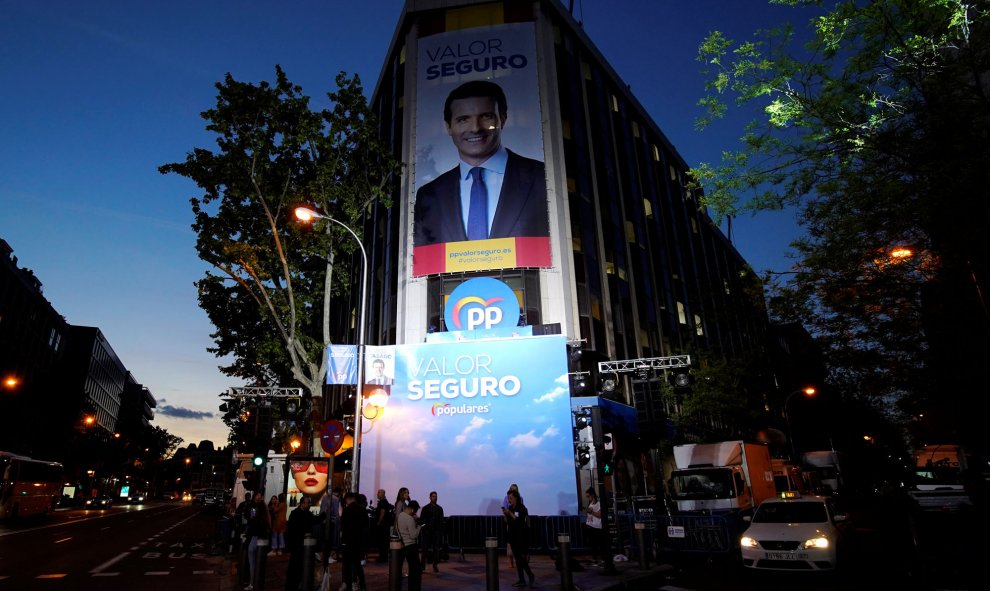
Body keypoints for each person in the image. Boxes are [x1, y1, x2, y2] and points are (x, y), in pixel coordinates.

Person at [413, 80, 549, 247]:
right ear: (448, 127)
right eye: (463, 120)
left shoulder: (542, 177)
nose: (475, 128)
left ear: (503, 119)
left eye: (486, 117)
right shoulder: (429, 195)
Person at [285, 495, 319, 591]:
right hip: (297, 545)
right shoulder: (295, 513)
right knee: (295, 567)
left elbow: (315, 520)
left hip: (305, 546)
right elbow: (291, 530)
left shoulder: (307, 513)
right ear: (302, 503)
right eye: (308, 503)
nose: (309, 504)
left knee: (303, 567)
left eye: (309, 503)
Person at [502, 489, 534, 588]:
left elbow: (519, 521)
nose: (509, 500)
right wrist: (506, 514)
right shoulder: (510, 508)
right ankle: (521, 579)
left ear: (516, 497)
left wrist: (510, 514)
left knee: (521, 559)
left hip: (521, 537)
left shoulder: (522, 508)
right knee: (517, 559)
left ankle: (530, 575)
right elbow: (509, 522)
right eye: (508, 498)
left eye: (511, 498)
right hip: (512, 537)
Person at [340, 492, 369, 591]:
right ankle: (362, 586)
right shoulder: (362, 510)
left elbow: (342, 526)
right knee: (357, 565)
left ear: (348, 499)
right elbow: (366, 526)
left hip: (348, 541)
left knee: (347, 564)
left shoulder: (347, 510)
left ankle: (348, 584)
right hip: (359, 541)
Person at [245, 491, 271, 591]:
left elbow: (254, 519)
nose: (258, 497)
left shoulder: (260, 507)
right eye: (257, 495)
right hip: (258, 536)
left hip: (257, 536)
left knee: (253, 560)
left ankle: (253, 583)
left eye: (260, 496)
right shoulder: (259, 507)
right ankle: (254, 581)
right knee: (255, 561)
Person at [396, 500, 424, 591]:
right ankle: (414, 588)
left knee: (408, 568)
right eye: (415, 511)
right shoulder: (410, 518)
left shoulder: (400, 515)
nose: (415, 513)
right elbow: (413, 535)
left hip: (403, 545)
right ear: (412, 509)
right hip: (411, 546)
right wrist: (419, 527)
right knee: (416, 570)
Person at [419, 491, 445, 573]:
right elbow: (422, 519)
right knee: (424, 549)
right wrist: (424, 528)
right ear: (430, 497)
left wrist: (439, 530)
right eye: (433, 496)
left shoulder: (439, 508)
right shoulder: (425, 508)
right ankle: (422, 566)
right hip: (427, 532)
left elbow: (441, 520)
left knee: (436, 549)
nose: (435, 498)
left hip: (436, 532)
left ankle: (435, 565)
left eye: (436, 496)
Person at [318, 486, 342, 565]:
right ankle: (328, 557)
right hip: (331, 522)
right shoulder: (336, 499)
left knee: (324, 539)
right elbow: (336, 513)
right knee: (330, 540)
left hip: (322, 521)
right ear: (339, 493)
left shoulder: (325, 497)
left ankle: (322, 555)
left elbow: (322, 509)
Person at [502, 484, 522, 569]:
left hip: (518, 526)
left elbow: (518, 516)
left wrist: (510, 513)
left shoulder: (521, 502)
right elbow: (504, 508)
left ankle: (520, 561)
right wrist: (506, 514)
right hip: (510, 524)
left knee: (518, 544)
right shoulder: (506, 499)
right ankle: (511, 562)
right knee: (510, 543)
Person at [584, 487, 604, 565]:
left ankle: (601, 560)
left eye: (588, 496)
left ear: (592, 495)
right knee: (593, 544)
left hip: (596, 527)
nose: (588, 498)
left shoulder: (598, 503)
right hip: (590, 525)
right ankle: (595, 559)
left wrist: (591, 512)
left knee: (598, 544)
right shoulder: (591, 503)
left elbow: (599, 515)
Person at [373, 489, 393, 562]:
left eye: (379, 493)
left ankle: (382, 557)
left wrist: (379, 522)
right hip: (385, 525)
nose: (377, 494)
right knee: (383, 541)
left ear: (383, 494)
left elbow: (382, 512)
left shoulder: (383, 502)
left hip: (383, 525)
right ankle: (383, 556)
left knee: (382, 541)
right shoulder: (384, 502)